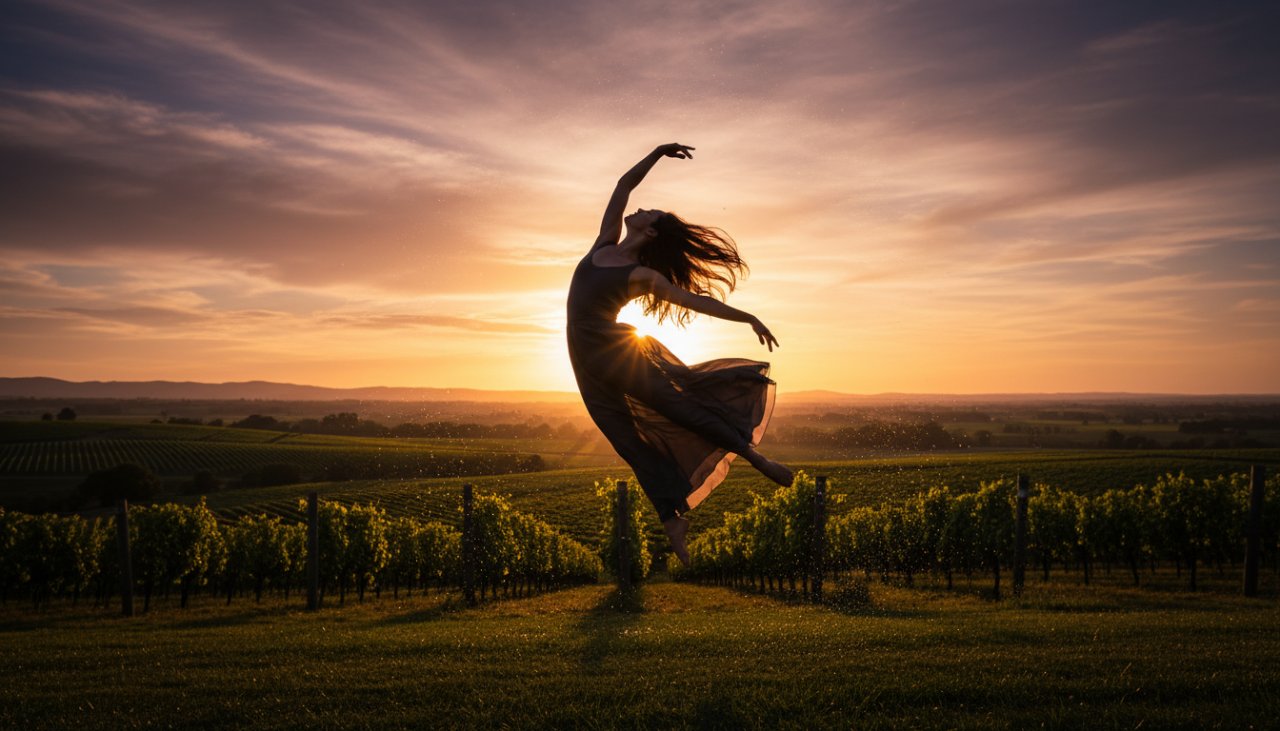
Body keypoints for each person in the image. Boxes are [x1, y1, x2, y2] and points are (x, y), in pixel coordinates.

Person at [565, 142, 795, 565]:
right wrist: (656, 152)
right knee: (625, 437)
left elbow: (693, 301)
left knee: (677, 403)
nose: (641, 209)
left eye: (649, 212)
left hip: (613, 351)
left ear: (650, 232)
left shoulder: (640, 275)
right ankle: (672, 517)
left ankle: (754, 457)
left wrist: (746, 316)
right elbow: (622, 186)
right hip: (584, 359)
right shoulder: (603, 243)